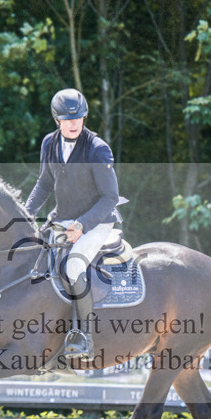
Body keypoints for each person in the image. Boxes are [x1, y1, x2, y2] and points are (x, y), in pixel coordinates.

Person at [24, 88, 122, 359]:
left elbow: (110, 197)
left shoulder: (97, 149)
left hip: (97, 221)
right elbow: (44, 183)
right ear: (57, 120)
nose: (73, 124)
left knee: (73, 266)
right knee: (30, 258)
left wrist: (82, 224)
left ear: (85, 117)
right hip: (63, 218)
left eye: (78, 118)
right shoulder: (49, 143)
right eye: (67, 120)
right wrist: (24, 213)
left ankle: (84, 337)